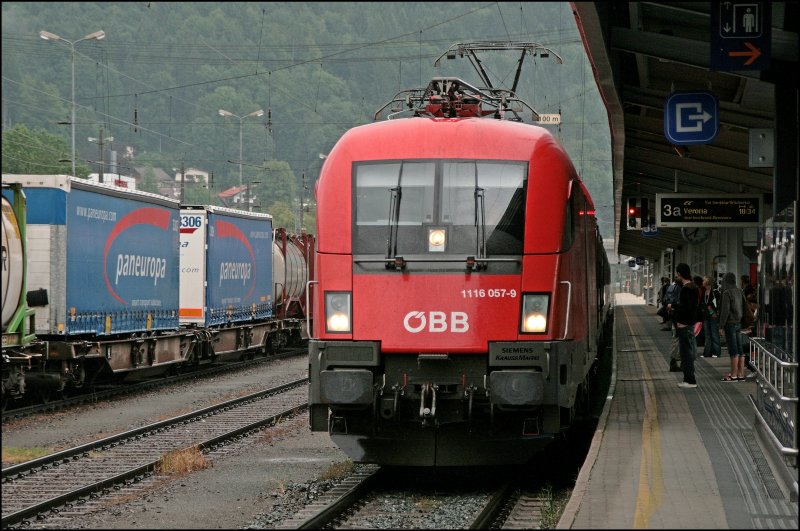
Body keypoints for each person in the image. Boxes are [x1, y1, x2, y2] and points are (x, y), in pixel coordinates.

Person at [670, 263, 699, 388]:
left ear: (679, 274)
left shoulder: (686, 289)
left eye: (677, 273)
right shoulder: (694, 288)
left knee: (686, 354)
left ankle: (690, 380)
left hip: (684, 325)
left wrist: (673, 306)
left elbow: (685, 307)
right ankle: (689, 378)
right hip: (689, 324)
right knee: (688, 352)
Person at [719, 272, 745, 381]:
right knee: (740, 348)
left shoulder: (727, 293)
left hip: (730, 323)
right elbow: (744, 306)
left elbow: (725, 311)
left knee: (733, 349)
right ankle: (741, 374)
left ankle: (733, 375)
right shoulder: (739, 291)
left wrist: (721, 326)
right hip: (739, 322)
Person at [701, 275, 721, 358]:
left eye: (704, 280)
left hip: (713, 315)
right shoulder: (703, 292)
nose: (702, 282)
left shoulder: (715, 292)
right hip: (706, 315)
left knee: (714, 334)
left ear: (708, 282)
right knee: (707, 334)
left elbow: (719, 304)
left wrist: (715, 311)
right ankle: (707, 352)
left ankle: (716, 352)